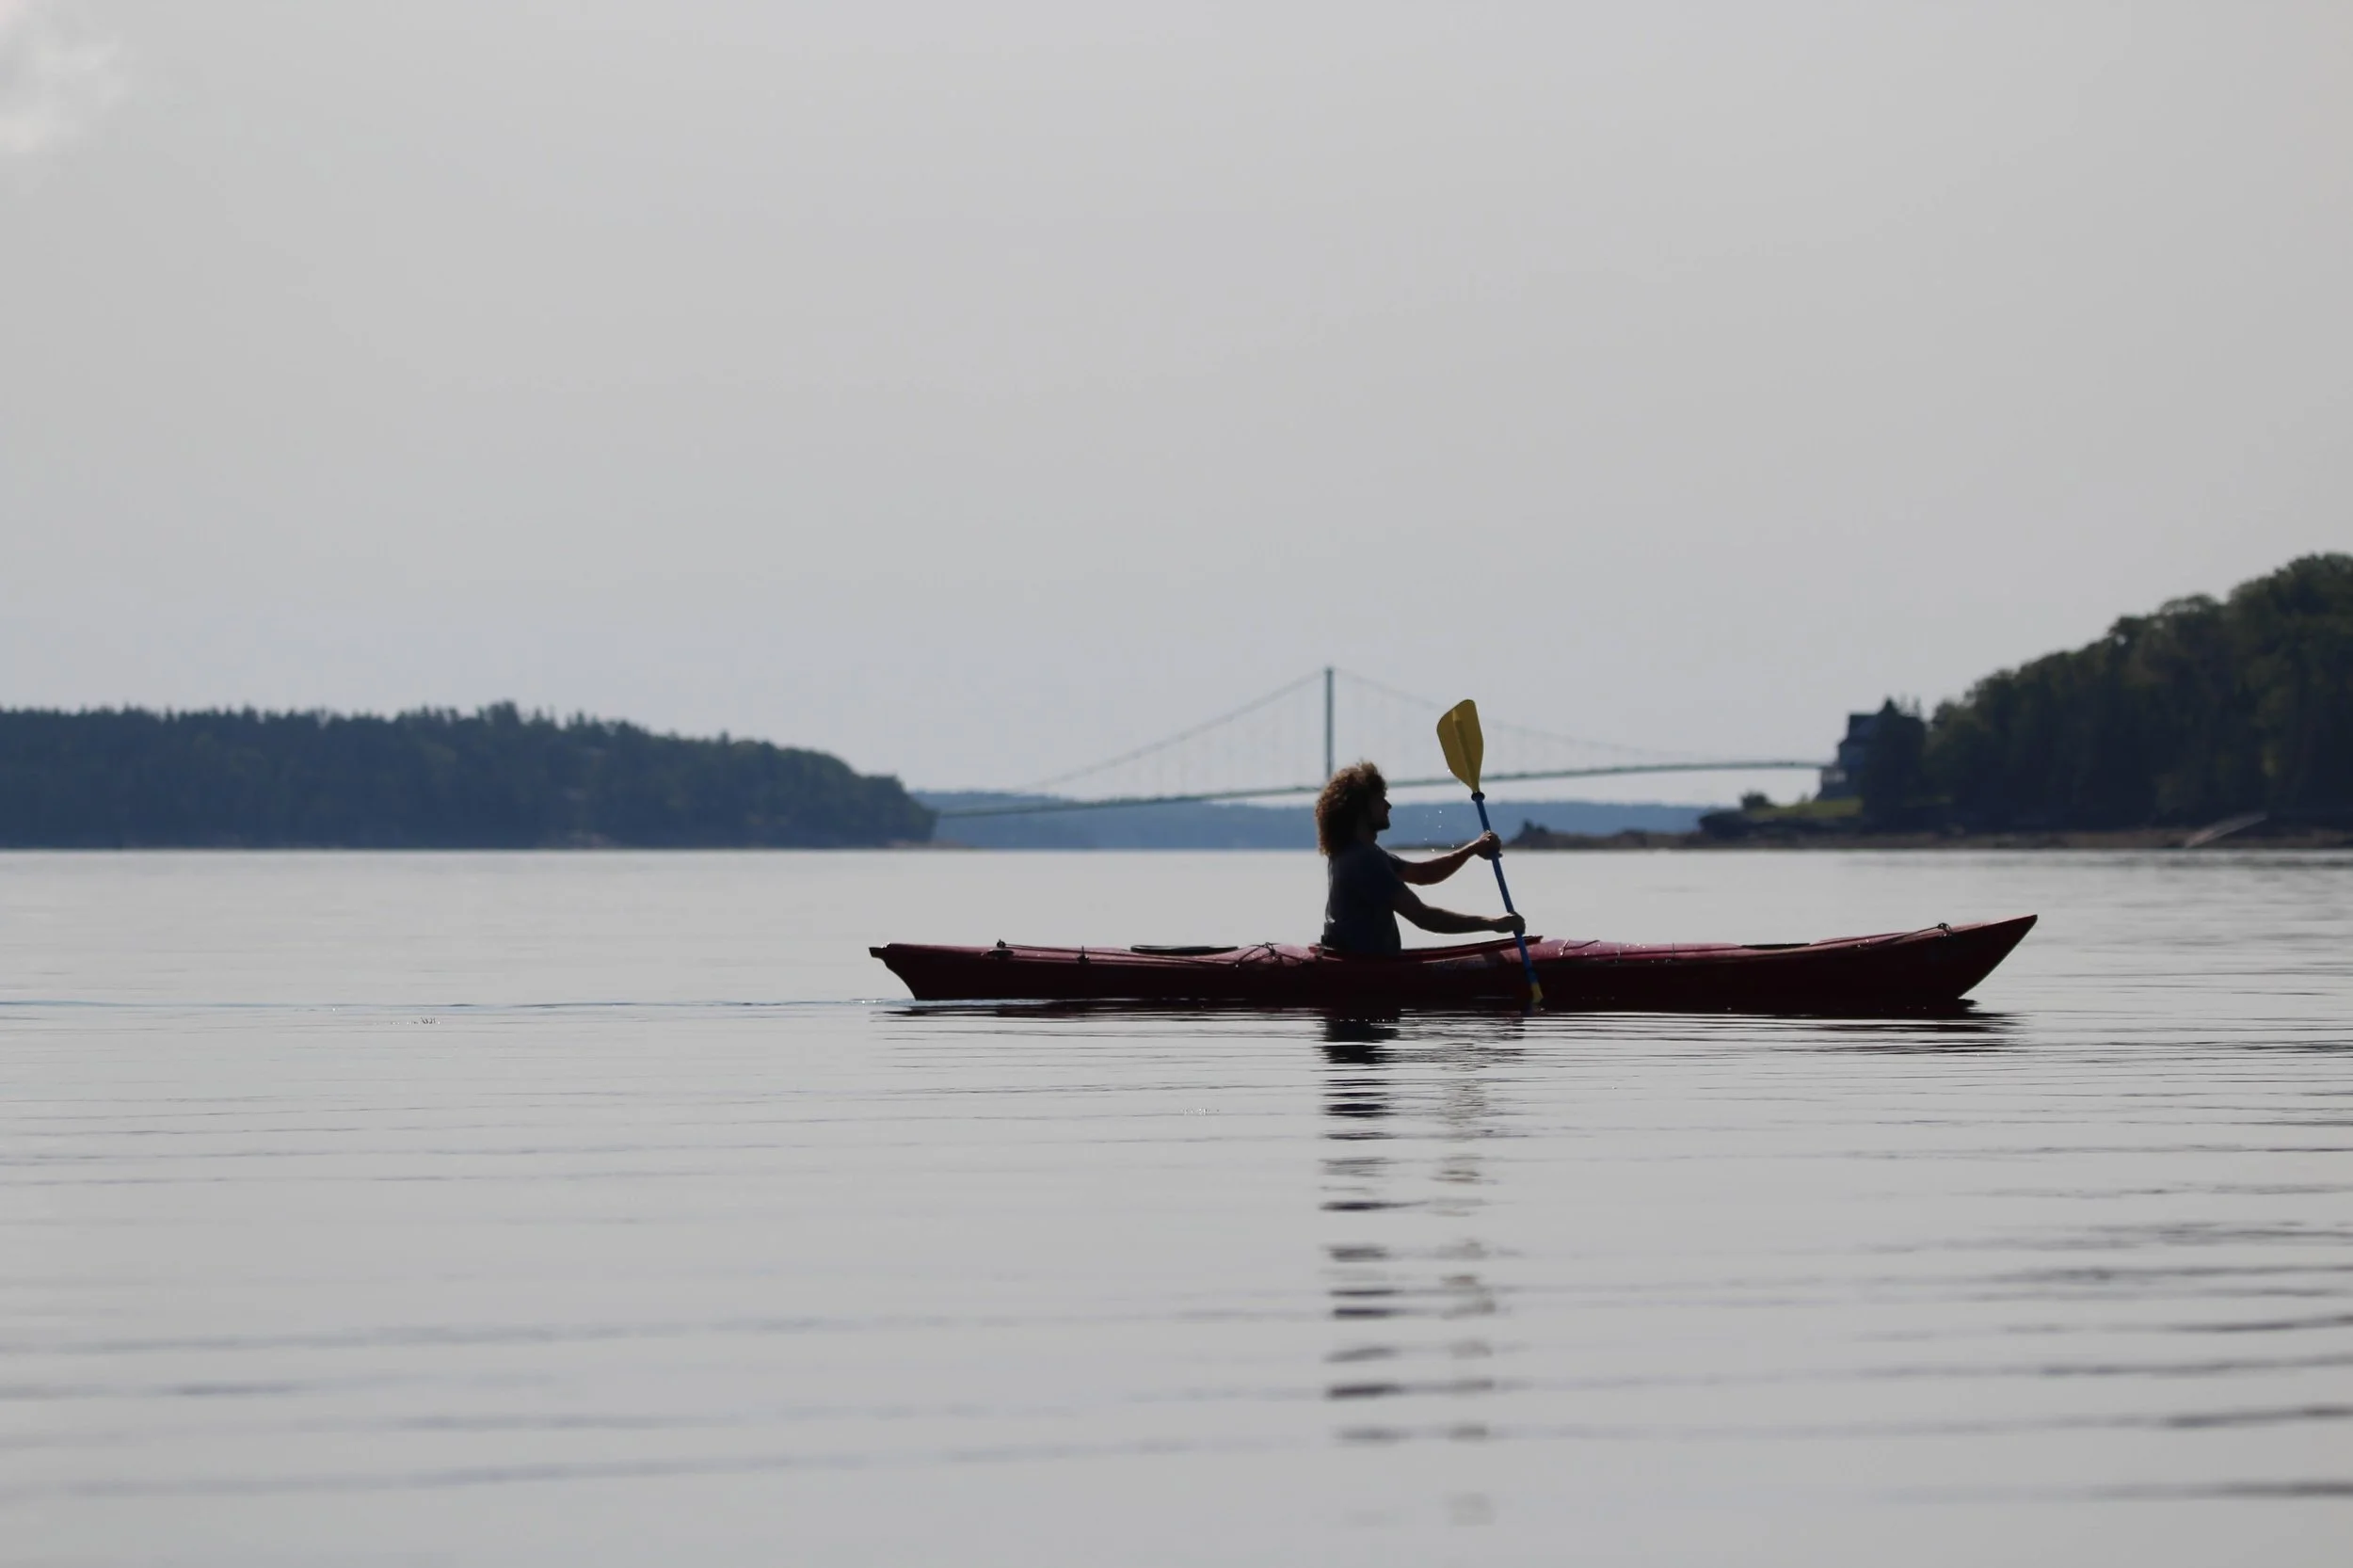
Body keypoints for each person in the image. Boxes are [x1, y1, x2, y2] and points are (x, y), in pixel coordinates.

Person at [1315, 761, 1526, 956]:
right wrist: (1493, 924)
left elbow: (1423, 874)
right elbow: (1424, 917)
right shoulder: (1364, 860)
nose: (1388, 806)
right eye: (1380, 799)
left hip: (1361, 960)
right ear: (1361, 809)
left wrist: (1472, 849)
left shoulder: (1355, 852)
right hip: (1367, 971)